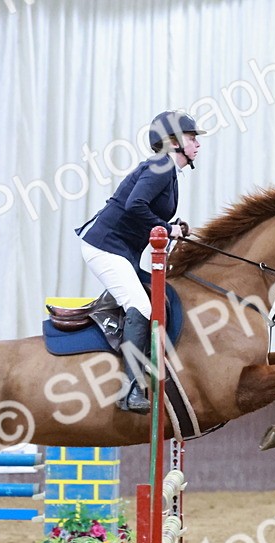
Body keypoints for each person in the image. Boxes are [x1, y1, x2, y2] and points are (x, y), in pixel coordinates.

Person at [76, 110, 205, 413]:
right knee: (141, 307)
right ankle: (130, 389)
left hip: (121, 250)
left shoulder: (167, 171)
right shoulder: (161, 167)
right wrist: (168, 228)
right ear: (173, 141)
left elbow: (143, 210)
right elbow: (135, 205)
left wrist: (173, 225)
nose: (197, 144)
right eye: (191, 137)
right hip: (105, 247)